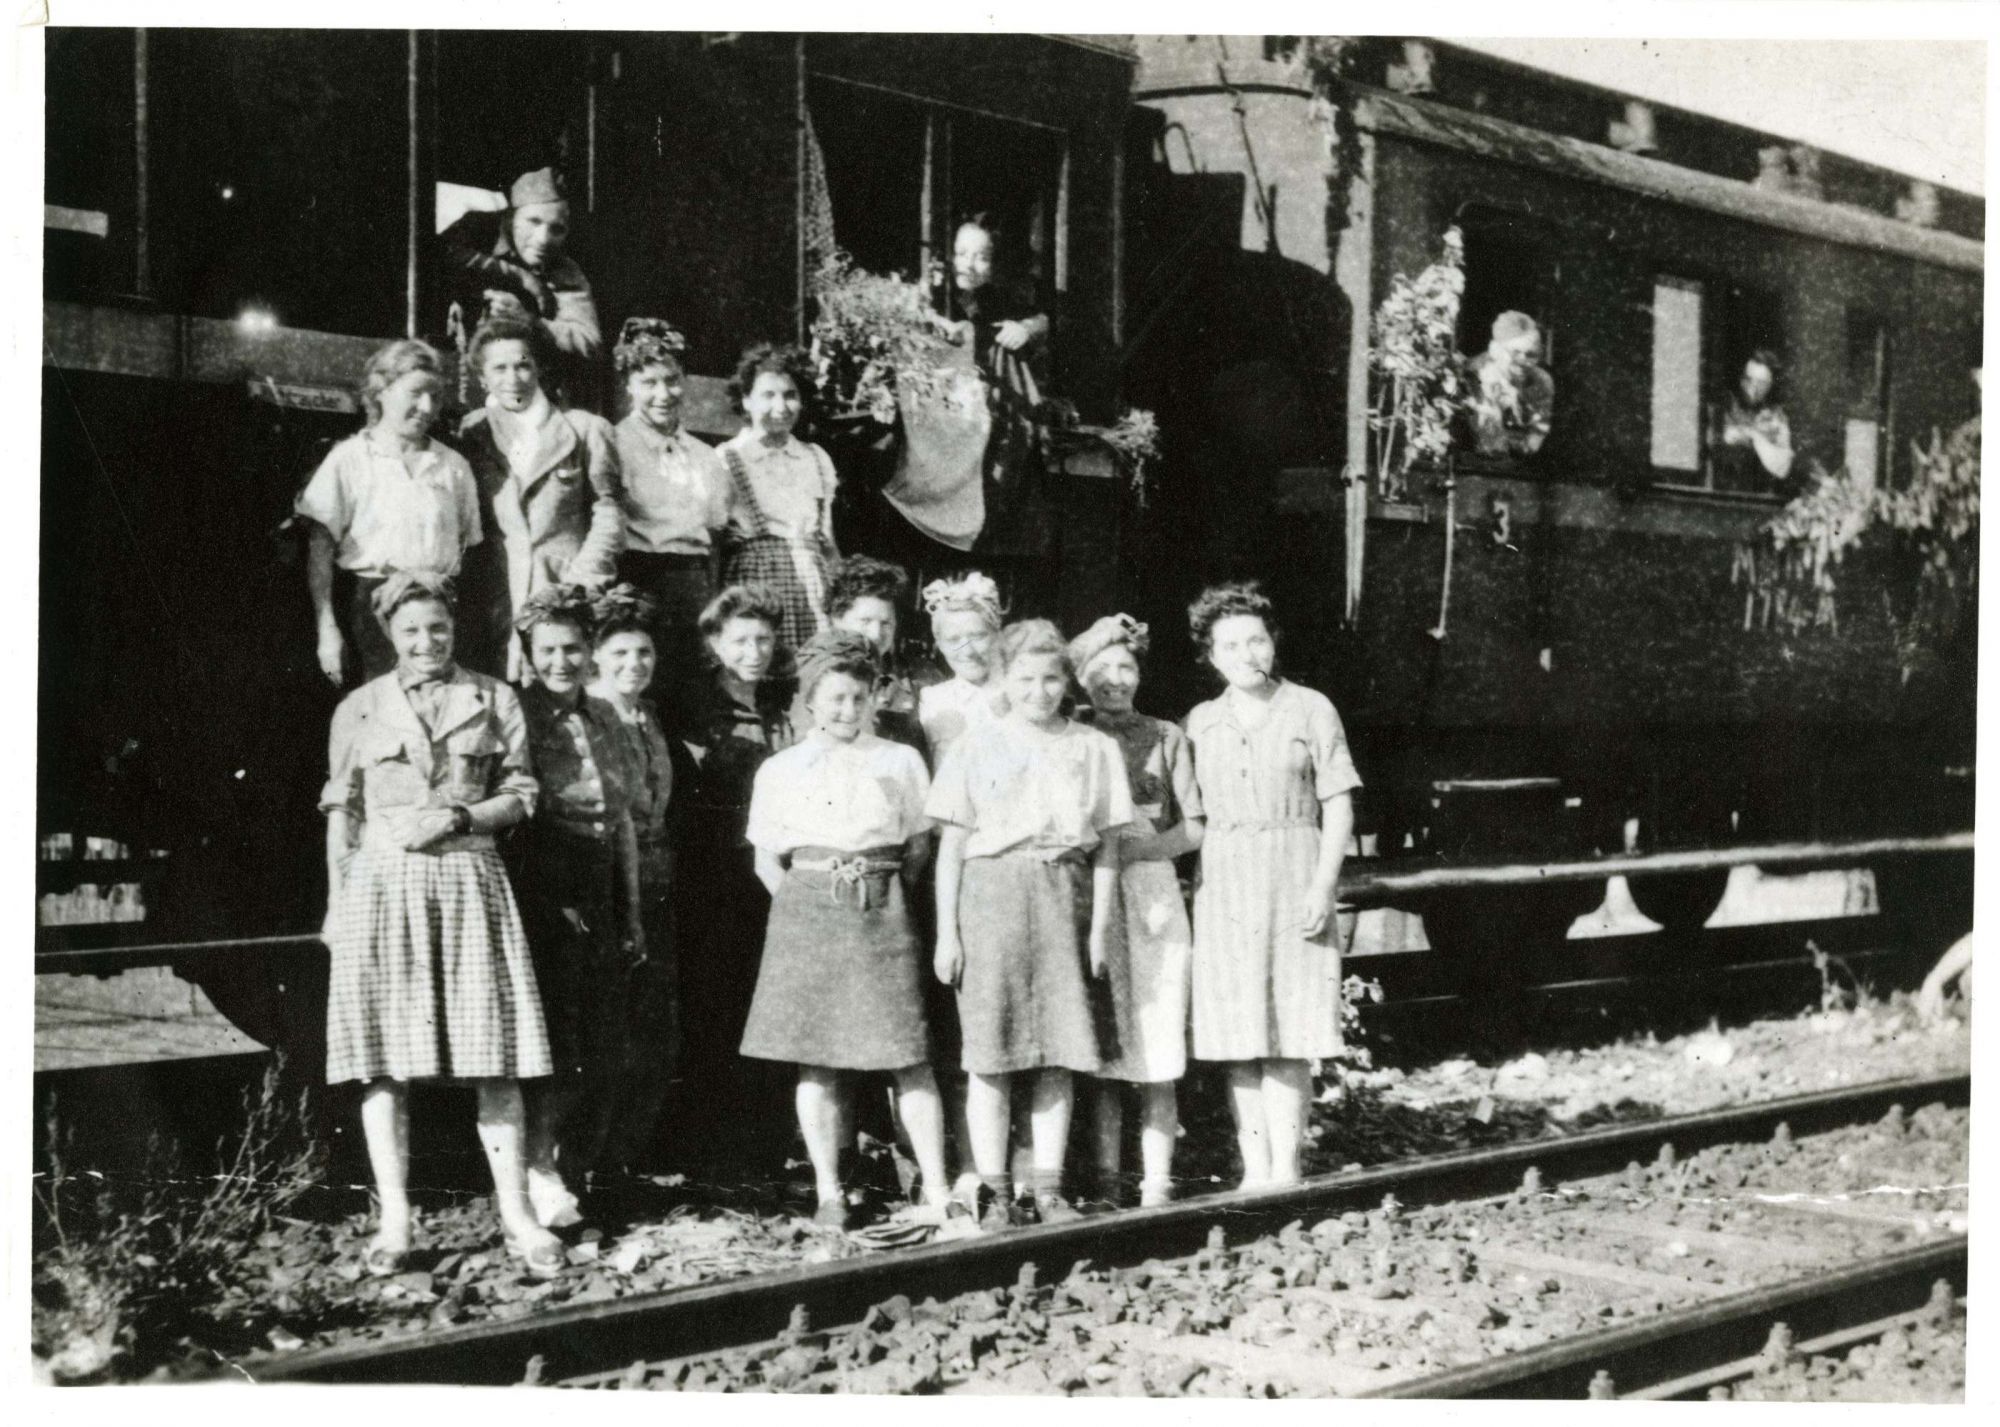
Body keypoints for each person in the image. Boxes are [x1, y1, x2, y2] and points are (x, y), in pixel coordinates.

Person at [318, 572, 562, 1278]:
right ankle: (395, 1219)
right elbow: (344, 813)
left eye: (438, 628)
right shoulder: (360, 707)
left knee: (495, 1057)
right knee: (383, 1062)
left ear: (455, 628)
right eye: (411, 630)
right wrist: (337, 903)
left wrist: (459, 816)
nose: (427, 642)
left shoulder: (493, 697)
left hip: (468, 880)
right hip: (382, 888)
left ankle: (518, 1215)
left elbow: (521, 792)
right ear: (389, 634)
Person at [927, 619, 1133, 1227]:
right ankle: (995, 1191)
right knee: (990, 1055)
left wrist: (1098, 929)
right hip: (992, 897)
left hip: (1064, 894)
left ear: (1067, 681)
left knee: (1058, 1051)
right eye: (1023, 679)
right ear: (1002, 680)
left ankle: (1047, 1189)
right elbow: (950, 848)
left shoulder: (1093, 747)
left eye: (1050, 679)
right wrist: (947, 934)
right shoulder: (974, 744)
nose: (1038, 692)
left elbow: (1108, 848)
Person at [741, 630, 950, 1227]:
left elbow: (918, 847)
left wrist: (883, 895)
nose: (847, 709)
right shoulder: (782, 768)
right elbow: (766, 859)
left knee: (909, 1055)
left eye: (858, 698)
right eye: (834, 698)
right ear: (809, 700)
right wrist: (805, 905)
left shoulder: (899, 759)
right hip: (809, 914)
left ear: (874, 698)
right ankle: (830, 1189)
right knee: (819, 1061)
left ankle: (937, 1188)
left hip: (883, 910)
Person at [1184, 582, 1360, 1190]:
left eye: (1256, 640)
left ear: (1273, 642)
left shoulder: (1311, 708)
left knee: (1289, 1030)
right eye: (1230, 645)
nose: (1247, 654)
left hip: (1293, 871)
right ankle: (1254, 1169)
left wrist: (1322, 886)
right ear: (1211, 656)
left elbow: (1338, 804)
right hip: (1226, 881)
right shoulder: (1200, 722)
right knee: (1239, 1035)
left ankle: (1286, 1167)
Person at [507, 585, 644, 1226]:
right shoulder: (517, 711)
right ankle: (539, 1169)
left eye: (572, 648)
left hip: (600, 880)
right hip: (544, 878)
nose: (560, 661)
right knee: (558, 1037)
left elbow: (622, 822)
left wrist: (632, 911)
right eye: (547, 650)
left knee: (604, 1036)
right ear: (529, 654)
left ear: (590, 650)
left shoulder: (607, 716)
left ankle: (574, 1168)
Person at [1070, 615, 1203, 1209]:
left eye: (1125, 667)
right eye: (1100, 670)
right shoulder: (1071, 734)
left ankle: (1156, 1180)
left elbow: (1193, 828)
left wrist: (1131, 852)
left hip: (1150, 894)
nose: (1114, 680)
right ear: (1081, 678)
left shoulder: (1167, 735)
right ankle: (1105, 1181)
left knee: (1156, 1038)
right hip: (1087, 891)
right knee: (1103, 1041)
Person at [661, 583, 798, 1132]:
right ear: (715, 644)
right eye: (740, 641)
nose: (754, 652)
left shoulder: (784, 702)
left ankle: (769, 1131)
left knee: (770, 994)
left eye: (763, 639)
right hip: (712, 871)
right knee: (716, 995)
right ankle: (713, 1134)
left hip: (774, 868)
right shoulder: (691, 706)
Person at [883, 216, 1056, 603]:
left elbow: (1047, 320)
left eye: (982, 257)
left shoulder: (1000, 302)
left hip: (982, 426)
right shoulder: (927, 296)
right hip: (933, 426)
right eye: (962, 253)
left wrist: (1027, 329)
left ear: (995, 264)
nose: (969, 265)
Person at [297, 339, 482, 684]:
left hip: (437, 608)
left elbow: (469, 547)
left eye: (435, 396)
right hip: (369, 614)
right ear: (382, 390)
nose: (427, 407)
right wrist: (327, 629)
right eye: (415, 393)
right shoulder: (349, 458)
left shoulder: (453, 466)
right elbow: (319, 549)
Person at [456, 318, 625, 682]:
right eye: (499, 368)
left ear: (539, 368)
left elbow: (609, 513)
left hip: (563, 592)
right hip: (495, 599)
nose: (513, 378)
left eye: (522, 365)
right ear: (482, 378)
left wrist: (580, 584)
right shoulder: (472, 431)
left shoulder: (585, 430)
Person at [585, 583, 680, 1173]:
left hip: (659, 877)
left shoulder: (649, 715)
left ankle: (625, 1161)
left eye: (643, 652)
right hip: (609, 882)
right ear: (596, 656)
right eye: (619, 652)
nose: (633, 664)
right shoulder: (590, 715)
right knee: (609, 1028)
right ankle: (588, 1164)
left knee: (654, 1029)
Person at [611, 318, 731, 681]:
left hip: (694, 584)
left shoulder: (704, 456)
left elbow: (715, 527)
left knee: (695, 682)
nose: (663, 394)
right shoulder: (615, 444)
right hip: (638, 578)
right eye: (649, 383)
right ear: (628, 385)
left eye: (672, 380)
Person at [441, 166, 601, 404]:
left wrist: (529, 320)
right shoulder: (475, 238)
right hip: (456, 385)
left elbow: (588, 341)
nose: (543, 239)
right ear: (511, 218)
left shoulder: (563, 271)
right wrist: (520, 277)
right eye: (533, 221)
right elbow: (441, 254)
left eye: (557, 229)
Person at [719, 344, 840, 653]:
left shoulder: (815, 457)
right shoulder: (728, 458)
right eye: (768, 395)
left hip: (813, 583)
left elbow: (827, 539)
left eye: (790, 395)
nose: (781, 406)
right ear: (746, 400)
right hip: (756, 583)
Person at [794, 556, 927, 756]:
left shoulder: (913, 678)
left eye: (886, 623)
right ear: (836, 619)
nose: (876, 634)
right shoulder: (810, 675)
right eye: (865, 621)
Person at [917, 572, 1010, 766]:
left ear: (997, 635)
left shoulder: (1021, 694)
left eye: (978, 636)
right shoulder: (932, 700)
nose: (967, 651)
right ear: (939, 644)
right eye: (953, 640)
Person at [1465, 310, 1554, 459]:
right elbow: (1488, 443)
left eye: (1531, 355)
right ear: (1494, 349)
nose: (1523, 360)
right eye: (1515, 353)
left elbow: (1535, 441)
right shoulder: (1472, 376)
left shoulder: (1541, 381)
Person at [1712, 349, 1796, 493]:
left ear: (1770, 385)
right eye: (1748, 379)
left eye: (1761, 383)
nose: (1753, 388)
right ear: (1741, 378)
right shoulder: (1726, 404)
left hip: (1758, 491)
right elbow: (1723, 437)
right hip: (1725, 489)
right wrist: (1755, 435)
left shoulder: (1775, 414)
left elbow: (1783, 463)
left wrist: (1752, 436)